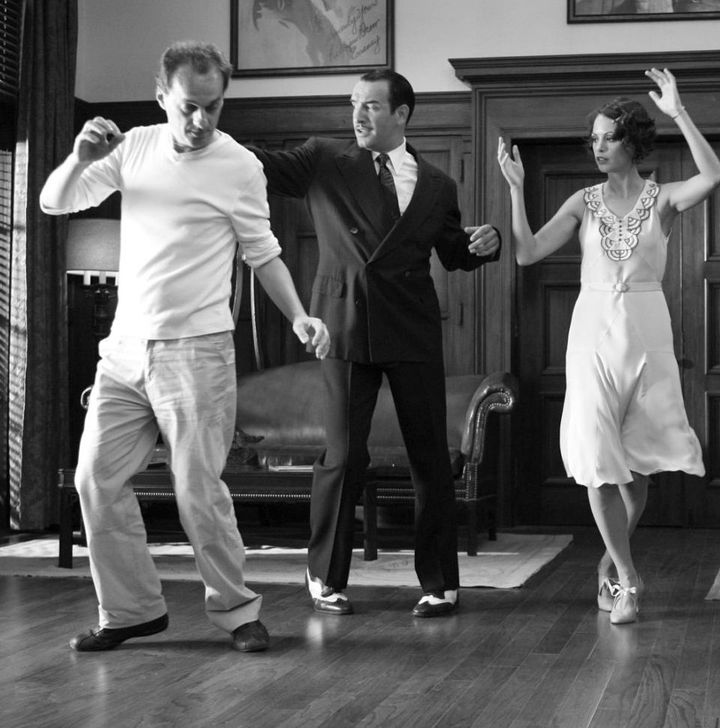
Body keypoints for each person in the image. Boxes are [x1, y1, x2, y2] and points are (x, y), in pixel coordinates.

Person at [39, 41, 330, 652]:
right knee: (95, 480)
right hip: (122, 352)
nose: (201, 122)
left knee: (198, 488)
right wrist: (78, 157)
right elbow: (54, 201)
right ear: (162, 96)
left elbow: (264, 253)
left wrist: (300, 315)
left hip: (197, 352)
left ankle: (237, 611)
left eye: (214, 108)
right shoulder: (134, 146)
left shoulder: (240, 165)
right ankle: (131, 611)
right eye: (189, 108)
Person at [250, 69, 501, 618]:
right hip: (342, 322)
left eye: (371, 106)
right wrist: (192, 133)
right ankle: (325, 577)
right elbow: (256, 163)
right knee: (342, 455)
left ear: (402, 114)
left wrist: (486, 242)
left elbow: (455, 251)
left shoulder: (437, 184)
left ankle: (439, 582)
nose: (358, 115)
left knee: (430, 456)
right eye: (354, 105)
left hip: (411, 325)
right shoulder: (323, 160)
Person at [496, 68, 720, 624]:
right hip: (592, 331)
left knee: (637, 467)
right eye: (592, 138)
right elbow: (526, 253)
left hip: (646, 331)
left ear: (633, 143)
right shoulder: (582, 201)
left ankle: (610, 558)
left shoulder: (662, 198)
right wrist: (516, 188)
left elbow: (712, 176)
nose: (597, 147)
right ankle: (629, 576)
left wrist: (679, 113)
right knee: (598, 461)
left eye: (607, 137)